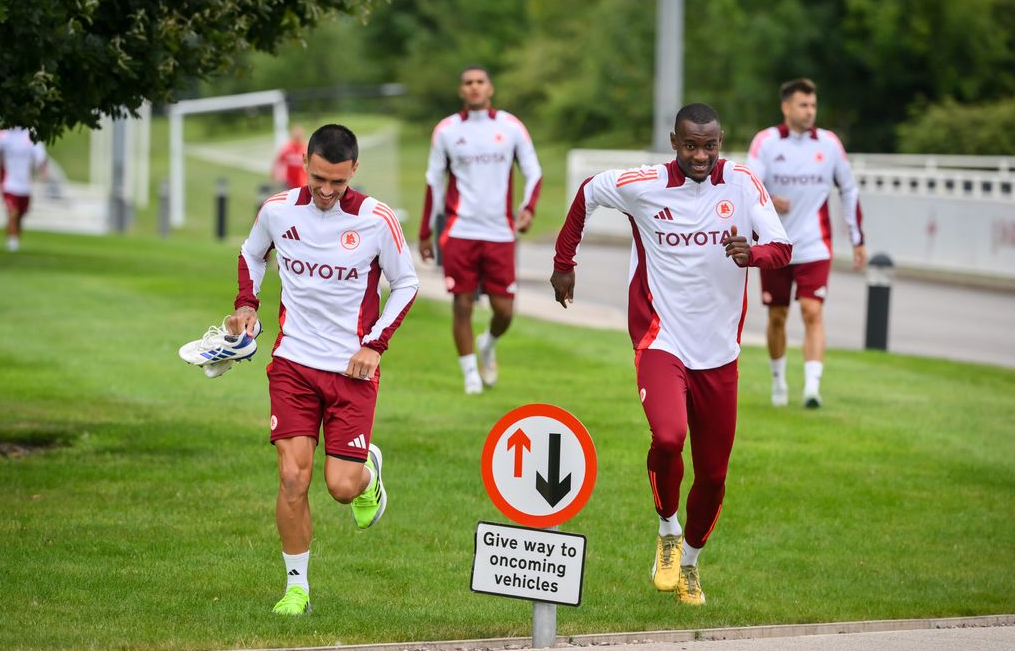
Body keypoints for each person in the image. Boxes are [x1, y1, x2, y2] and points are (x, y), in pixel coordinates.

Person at [551, 103, 791, 605]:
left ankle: (691, 564)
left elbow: (781, 247)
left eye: (710, 146)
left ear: (721, 141)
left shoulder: (742, 183)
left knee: (715, 475)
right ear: (674, 142)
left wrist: (752, 253)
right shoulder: (644, 185)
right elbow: (588, 192)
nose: (701, 156)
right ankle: (667, 528)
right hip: (660, 339)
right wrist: (564, 262)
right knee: (667, 436)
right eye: (691, 145)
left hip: (719, 350)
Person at [226, 124, 419, 616]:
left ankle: (367, 473)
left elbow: (407, 283)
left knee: (340, 487)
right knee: (293, 478)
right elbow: (251, 253)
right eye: (318, 179)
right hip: (292, 363)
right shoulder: (277, 211)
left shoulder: (376, 219)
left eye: (337, 181)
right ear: (305, 165)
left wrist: (375, 345)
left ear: (354, 170)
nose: (327, 190)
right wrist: (247, 304)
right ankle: (297, 589)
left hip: (352, 370)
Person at [419, 66, 543, 394]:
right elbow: (433, 182)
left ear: (490, 88)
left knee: (504, 310)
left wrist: (528, 209)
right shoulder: (446, 130)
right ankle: (471, 376)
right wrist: (425, 231)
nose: (474, 87)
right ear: (461, 90)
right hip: (459, 230)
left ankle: (488, 343)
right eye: (468, 83)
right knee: (462, 304)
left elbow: (534, 172)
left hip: (500, 232)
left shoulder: (510, 127)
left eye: (480, 82)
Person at [746, 78, 866, 408]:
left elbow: (849, 189)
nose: (810, 111)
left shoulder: (829, 143)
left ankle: (812, 389)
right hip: (775, 244)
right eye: (803, 105)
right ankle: (778, 382)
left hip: (815, 245)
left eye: (813, 105)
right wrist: (770, 199)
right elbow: (748, 186)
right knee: (777, 316)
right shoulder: (766, 142)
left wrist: (857, 238)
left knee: (812, 311)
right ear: (786, 107)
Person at [0, 127, 47, 251]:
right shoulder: (4, 135)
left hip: (25, 185)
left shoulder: (31, 134)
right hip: (8, 184)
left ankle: (14, 236)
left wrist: (43, 172)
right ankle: (12, 244)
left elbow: (41, 156)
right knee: (13, 212)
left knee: (20, 215)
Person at [272, 125, 309, 190]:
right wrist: (275, 175)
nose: (298, 138)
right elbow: (278, 161)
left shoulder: (306, 148)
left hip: (303, 183)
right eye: (296, 136)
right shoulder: (287, 148)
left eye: (299, 136)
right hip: (289, 183)